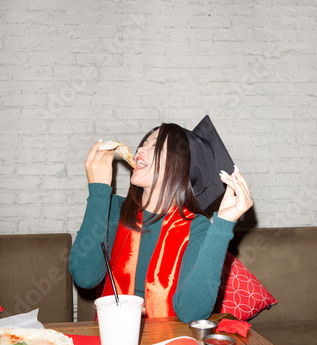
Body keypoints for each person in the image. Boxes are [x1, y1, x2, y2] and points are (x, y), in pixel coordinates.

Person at [69, 116, 253, 324]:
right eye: (143, 143)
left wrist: (223, 226)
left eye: (155, 146)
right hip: (112, 333)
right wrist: (99, 190)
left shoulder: (196, 228)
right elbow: (85, 277)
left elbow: (191, 313)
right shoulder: (113, 208)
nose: (139, 150)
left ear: (180, 166)